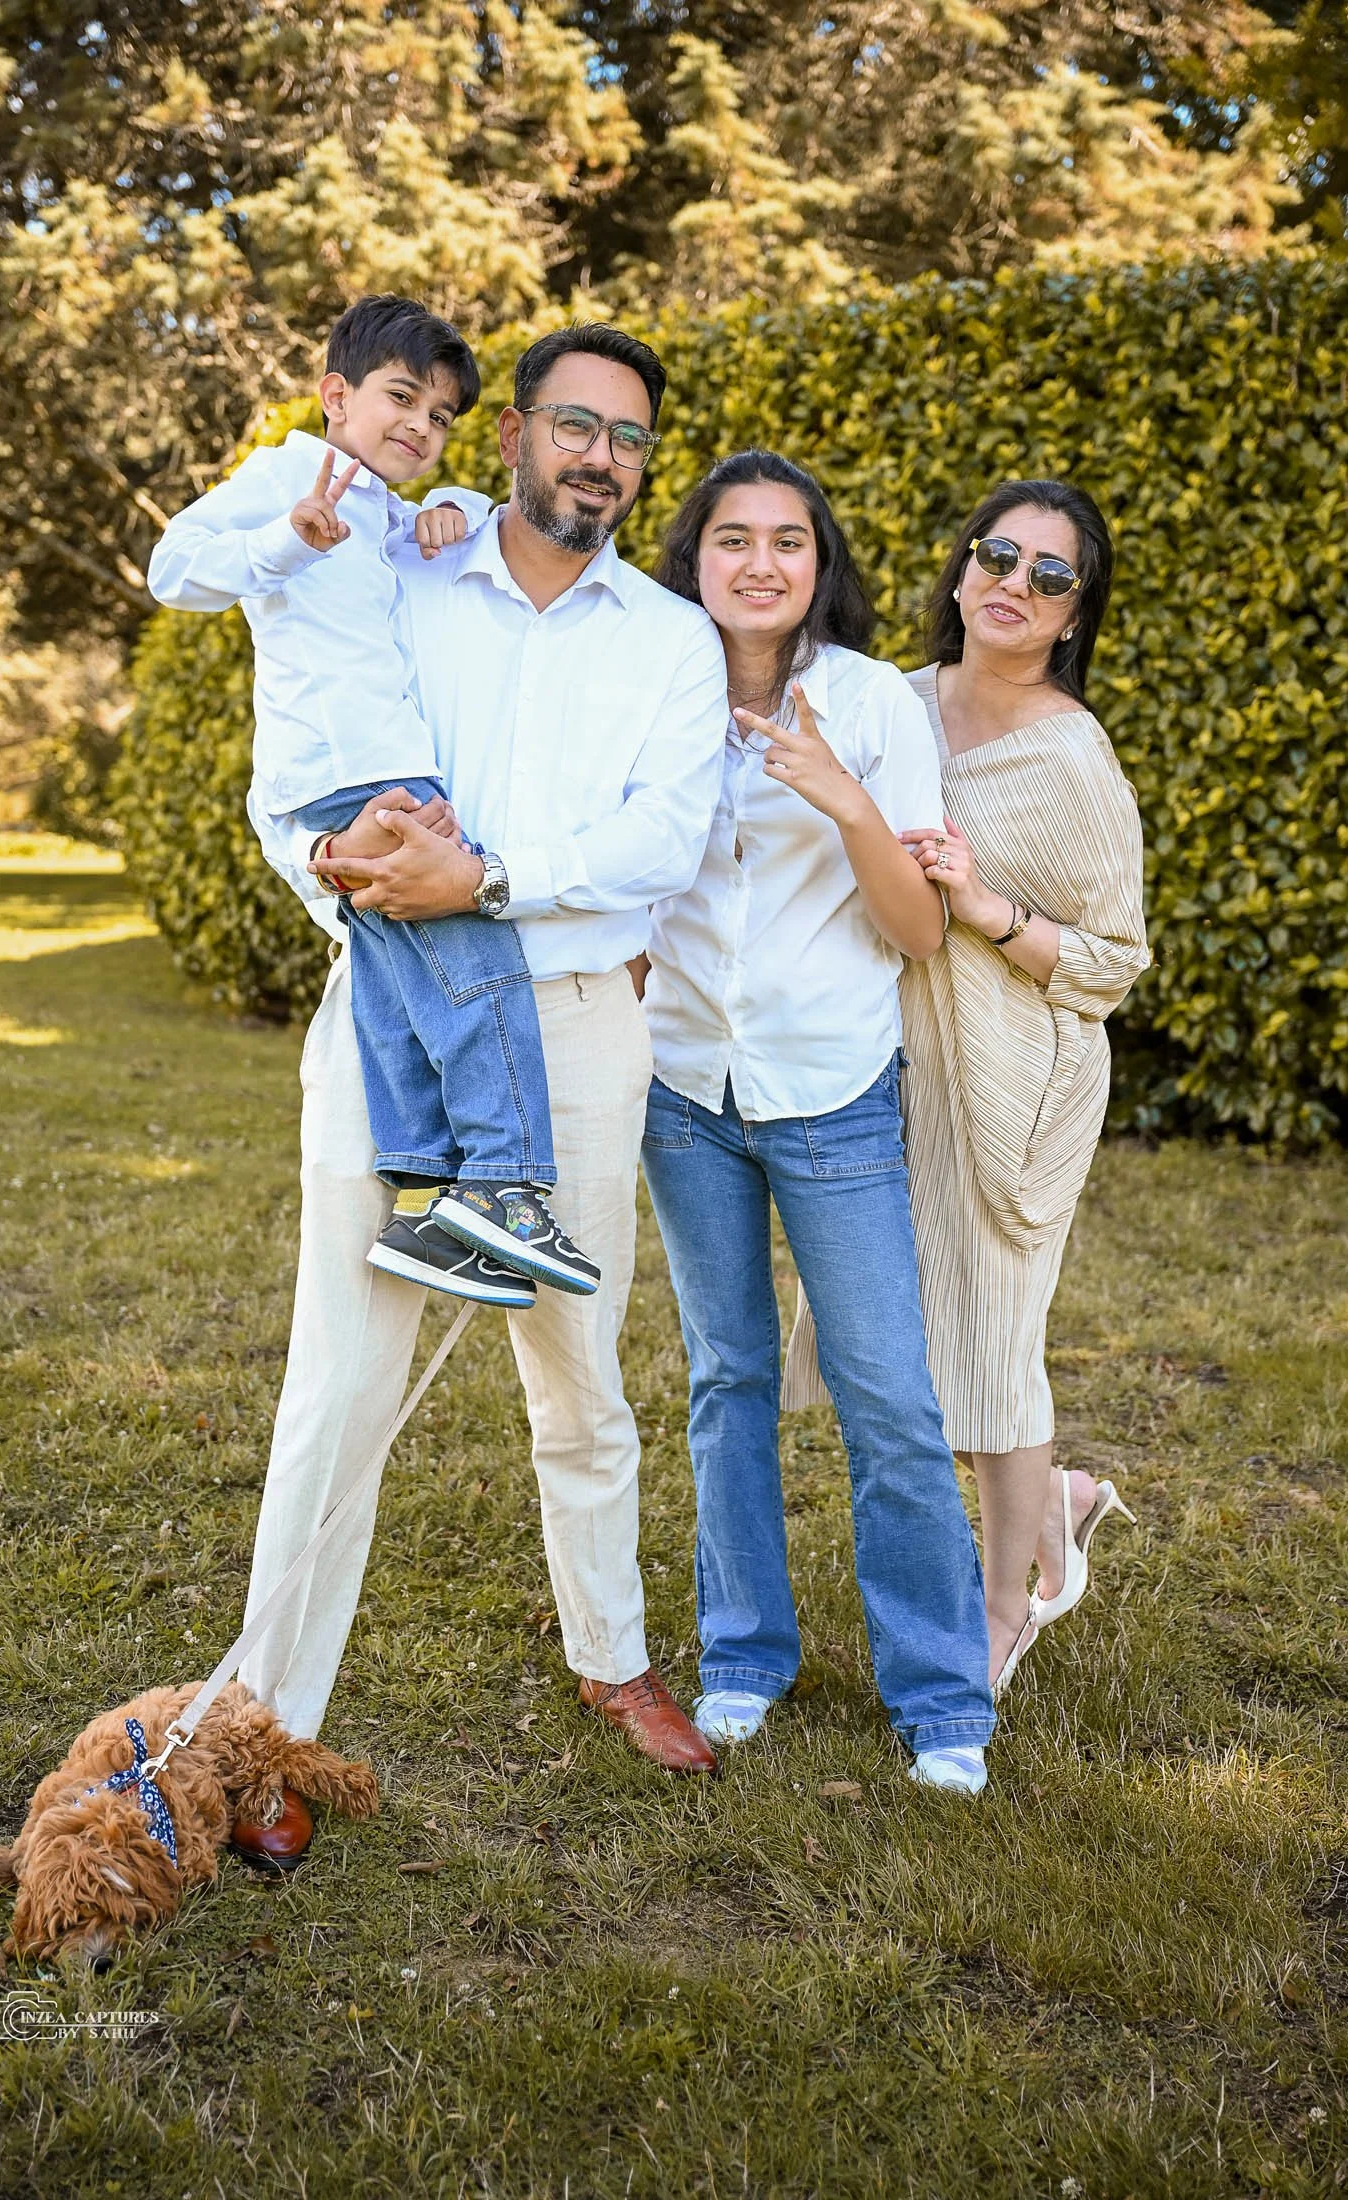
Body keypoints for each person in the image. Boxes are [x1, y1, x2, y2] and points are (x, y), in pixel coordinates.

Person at [229, 324, 732, 1866]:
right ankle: (262, 1726)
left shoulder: (667, 638)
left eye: (626, 438)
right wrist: (343, 874)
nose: (597, 454)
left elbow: (663, 839)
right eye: (571, 423)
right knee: (342, 1381)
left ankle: (613, 1657)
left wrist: (490, 875)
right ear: (508, 435)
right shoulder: (391, 571)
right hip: (387, 1008)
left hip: (580, 1027)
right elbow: (297, 756)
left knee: (578, 1369)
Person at [638, 450, 996, 1797]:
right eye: (731, 539)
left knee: (887, 1400)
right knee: (724, 1380)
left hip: (831, 1088)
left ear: (818, 566)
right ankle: (739, 1655)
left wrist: (842, 794)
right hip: (686, 1089)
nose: (759, 565)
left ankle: (940, 1696)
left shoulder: (865, 704)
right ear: (696, 558)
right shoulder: (651, 693)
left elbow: (912, 931)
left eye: (787, 542)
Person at [148, 294, 598, 1308]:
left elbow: (429, 565)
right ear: (336, 394)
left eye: (440, 418)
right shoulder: (284, 477)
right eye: (402, 398)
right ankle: (505, 1182)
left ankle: (425, 1199)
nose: (420, 428)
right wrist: (285, 540)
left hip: (363, 766)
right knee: (476, 956)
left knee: (392, 992)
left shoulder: (391, 510)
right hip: (360, 769)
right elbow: (171, 568)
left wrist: (442, 519)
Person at [783, 480, 1149, 1694]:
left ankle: (1002, 1609)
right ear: (961, 570)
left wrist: (988, 905)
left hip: (1013, 1082)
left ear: (1070, 614)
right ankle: (1054, 1494)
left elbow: (1113, 962)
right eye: (1001, 555)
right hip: (883, 1066)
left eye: (1051, 575)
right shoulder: (886, 701)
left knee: (992, 1350)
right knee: (902, 1344)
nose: (1016, 584)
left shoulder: (1074, 757)